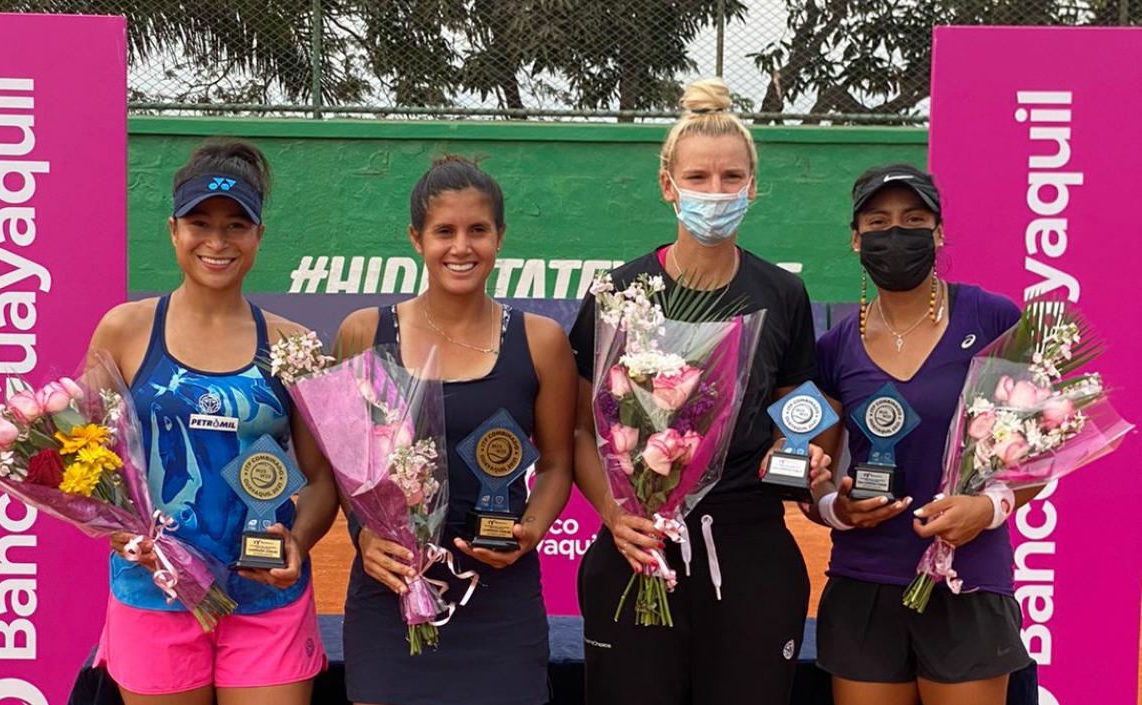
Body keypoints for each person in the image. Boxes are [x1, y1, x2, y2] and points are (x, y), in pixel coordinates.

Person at [570, 77, 829, 705]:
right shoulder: (619, 293)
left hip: (748, 550)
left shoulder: (782, 294)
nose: (716, 193)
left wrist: (803, 454)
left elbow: (798, 418)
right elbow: (579, 429)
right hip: (638, 548)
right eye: (699, 178)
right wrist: (615, 514)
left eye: (731, 178)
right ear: (668, 185)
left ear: (752, 186)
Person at [90, 139, 337, 704]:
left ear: (258, 237)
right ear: (174, 230)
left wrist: (297, 542)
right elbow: (88, 461)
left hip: (266, 596)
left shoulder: (294, 344)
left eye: (236, 226)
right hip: (156, 592)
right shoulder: (125, 331)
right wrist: (128, 535)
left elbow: (323, 480)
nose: (217, 242)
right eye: (200, 223)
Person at [335, 156, 578, 705]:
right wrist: (365, 536)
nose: (461, 247)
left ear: (500, 236)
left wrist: (530, 531)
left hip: (500, 599)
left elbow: (559, 462)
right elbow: (346, 467)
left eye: (478, 231)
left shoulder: (540, 341)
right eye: (444, 231)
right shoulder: (363, 332)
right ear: (416, 238)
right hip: (392, 589)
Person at [807, 163, 1035, 705]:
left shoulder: (994, 316)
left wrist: (987, 510)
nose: (896, 233)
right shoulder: (835, 347)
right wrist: (836, 508)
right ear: (855, 238)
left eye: (914, 219)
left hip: (968, 579)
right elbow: (808, 468)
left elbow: (1038, 458)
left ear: (938, 233)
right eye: (879, 221)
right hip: (864, 582)